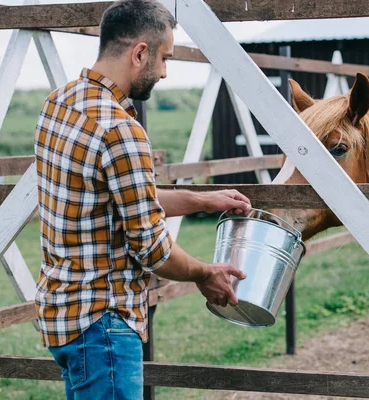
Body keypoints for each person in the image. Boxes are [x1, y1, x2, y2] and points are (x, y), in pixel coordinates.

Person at [33, 0, 250, 398]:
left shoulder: (59, 103)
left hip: (64, 314)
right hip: (104, 325)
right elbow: (152, 250)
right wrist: (205, 273)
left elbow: (120, 198)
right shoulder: (120, 130)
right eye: (165, 58)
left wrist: (201, 200)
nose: (165, 71)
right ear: (139, 53)